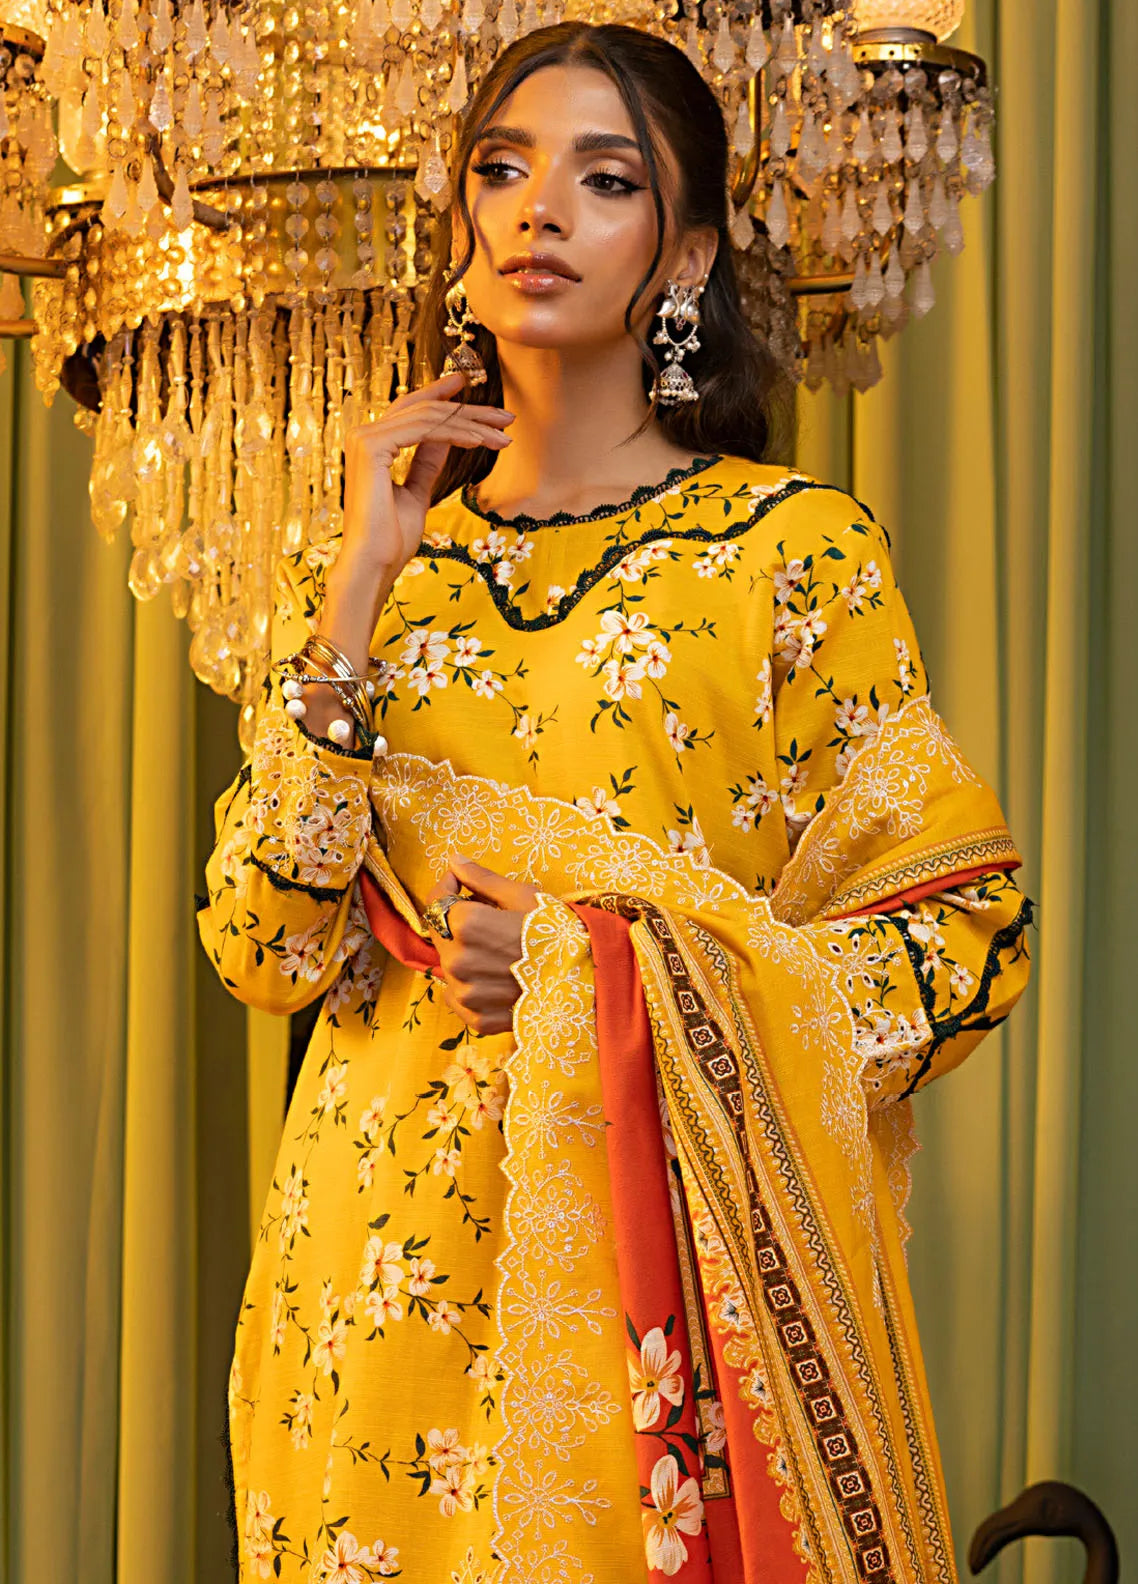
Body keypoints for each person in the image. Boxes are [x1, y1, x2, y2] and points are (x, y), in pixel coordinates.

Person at [197, 21, 1033, 1584]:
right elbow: (263, 947)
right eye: (500, 171)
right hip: (369, 1298)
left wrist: (605, 971)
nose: (539, 210)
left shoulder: (786, 553)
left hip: (648, 1312)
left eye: (604, 179)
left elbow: (957, 943)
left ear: (685, 254)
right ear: (460, 227)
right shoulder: (380, 575)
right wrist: (358, 583)